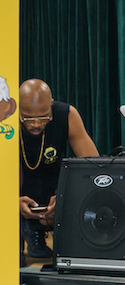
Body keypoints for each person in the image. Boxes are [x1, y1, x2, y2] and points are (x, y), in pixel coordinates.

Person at [19, 78, 99, 264]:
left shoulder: (67, 114)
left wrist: (66, 196)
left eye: (43, 117)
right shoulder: (5, 117)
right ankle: (22, 231)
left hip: (54, 187)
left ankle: (44, 228)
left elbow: (93, 166)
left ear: (51, 104)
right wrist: (11, 201)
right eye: (28, 117)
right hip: (17, 186)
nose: (36, 124)